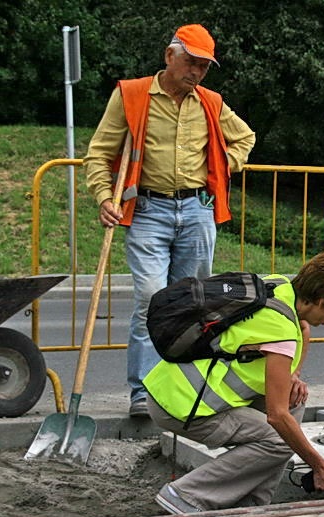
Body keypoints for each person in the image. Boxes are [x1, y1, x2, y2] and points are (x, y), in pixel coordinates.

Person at [83, 24, 256, 418]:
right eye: (191, 62)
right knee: (151, 301)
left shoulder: (210, 102)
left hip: (197, 210)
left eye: (204, 66)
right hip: (147, 212)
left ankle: (181, 390)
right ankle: (143, 391)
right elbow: (99, 152)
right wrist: (105, 197)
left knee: (193, 304)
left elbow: (244, 138)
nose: (196, 72)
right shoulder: (131, 94)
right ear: (169, 56)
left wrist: (223, 165)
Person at [144, 251, 324, 513]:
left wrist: (293, 375)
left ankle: (253, 504)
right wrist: (320, 466)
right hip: (183, 406)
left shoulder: (278, 287)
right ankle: (187, 495)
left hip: (170, 387)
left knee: (293, 401)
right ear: (322, 300)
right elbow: (277, 417)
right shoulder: (280, 331)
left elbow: (303, 327)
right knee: (280, 439)